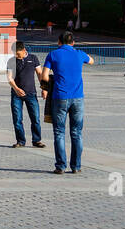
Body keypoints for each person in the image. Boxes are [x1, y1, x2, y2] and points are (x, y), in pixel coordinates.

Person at [40, 32, 94, 174]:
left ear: (59, 42)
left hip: (60, 97)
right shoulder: (79, 54)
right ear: (73, 42)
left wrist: (44, 89)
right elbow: (92, 61)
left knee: (59, 132)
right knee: (76, 133)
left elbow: (44, 76)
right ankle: (76, 167)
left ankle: (61, 166)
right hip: (78, 98)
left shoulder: (53, 55)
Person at [8, 41, 45, 148]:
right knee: (17, 119)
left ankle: (37, 140)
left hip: (31, 93)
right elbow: (10, 78)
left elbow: (39, 74)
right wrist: (16, 89)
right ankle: (20, 141)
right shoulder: (11, 61)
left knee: (35, 118)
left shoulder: (33, 58)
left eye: (18, 54)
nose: (16, 56)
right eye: (15, 53)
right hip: (16, 94)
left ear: (24, 50)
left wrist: (44, 88)